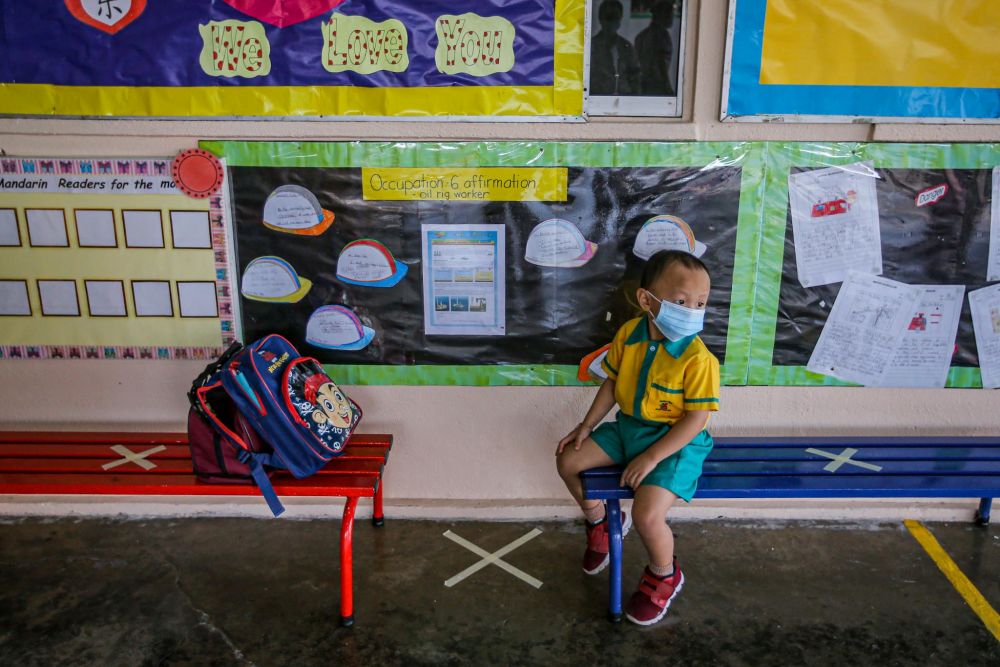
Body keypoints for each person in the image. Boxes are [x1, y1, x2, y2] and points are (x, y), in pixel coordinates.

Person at [556, 249, 720, 626]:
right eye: (681, 301)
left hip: (676, 443)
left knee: (647, 514)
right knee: (569, 460)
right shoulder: (629, 334)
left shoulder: (699, 359)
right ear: (647, 300)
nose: (692, 310)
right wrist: (586, 425)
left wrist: (651, 458)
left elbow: (696, 419)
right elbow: (612, 383)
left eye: (700, 303)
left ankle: (665, 574)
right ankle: (599, 523)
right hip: (629, 429)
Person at [590, 0, 640, 95]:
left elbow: (635, 77)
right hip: (597, 101)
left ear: (620, 19)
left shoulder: (626, 47)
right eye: (609, 17)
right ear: (600, 19)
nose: (612, 22)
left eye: (616, 18)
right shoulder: (591, 46)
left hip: (624, 100)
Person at [635, 0, 677, 96]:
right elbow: (661, 64)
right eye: (670, 14)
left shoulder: (641, 36)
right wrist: (667, 88)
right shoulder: (662, 36)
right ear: (662, 15)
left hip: (643, 85)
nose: (672, 18)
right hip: (658, 87)